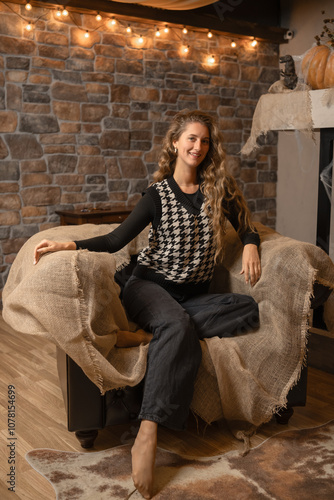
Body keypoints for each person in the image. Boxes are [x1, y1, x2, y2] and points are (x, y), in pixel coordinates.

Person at [34, 110, 261, 499]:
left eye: (205, 141)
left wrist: (253, 243)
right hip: (147, 286)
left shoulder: (218, 191)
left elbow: (247, 225)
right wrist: (67, 244)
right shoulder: (157, 194)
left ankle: (143, 335)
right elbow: (115, 240)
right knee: (175, 324)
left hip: (193, 296)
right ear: (175, 142)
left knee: (246, 307)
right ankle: (148, 429)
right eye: (191, 138)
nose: (198, 146)